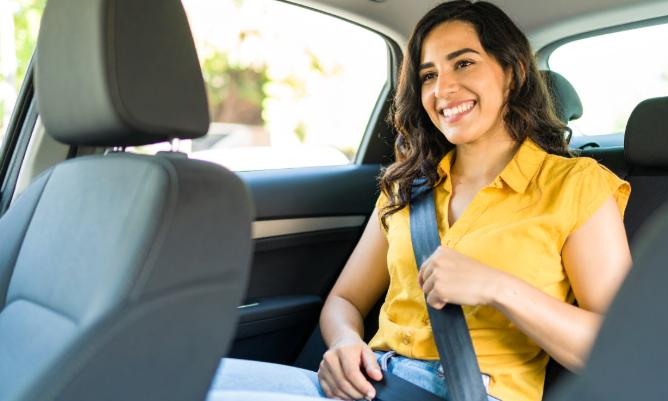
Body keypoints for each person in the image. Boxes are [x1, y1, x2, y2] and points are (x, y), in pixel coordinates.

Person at [208, 1, 631, 401]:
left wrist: (498, 288)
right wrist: (344, 342)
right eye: (428, 75)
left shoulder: (575, 185)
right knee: (188, 376)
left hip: (465, 390)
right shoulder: (408, 186)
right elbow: (345, 300)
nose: (442, 89)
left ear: (513, 71)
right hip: (372, 382)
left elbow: (624, 346)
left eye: (463, 63)